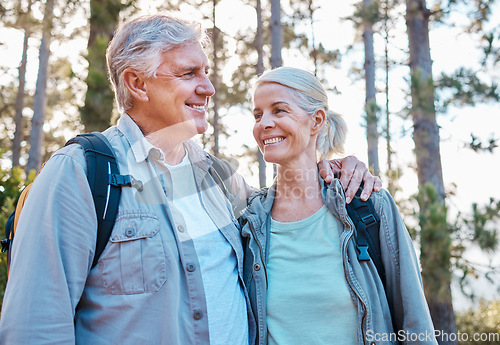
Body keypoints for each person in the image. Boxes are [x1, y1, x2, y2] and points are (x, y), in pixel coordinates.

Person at [0, 13, 380, 345]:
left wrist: (337, 165)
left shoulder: (219, 178)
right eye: (188, 74)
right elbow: (35, 327)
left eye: (206, 73)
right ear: (137, 84)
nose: (208, 88)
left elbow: (292, 207)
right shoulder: (80, 173)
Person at [240, 67, 438, 345]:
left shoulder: (367, 203)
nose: (264, 123)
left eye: (279, 110)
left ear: (316, 120)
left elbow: (415, 321)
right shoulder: (249, 221)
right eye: (258, 114)